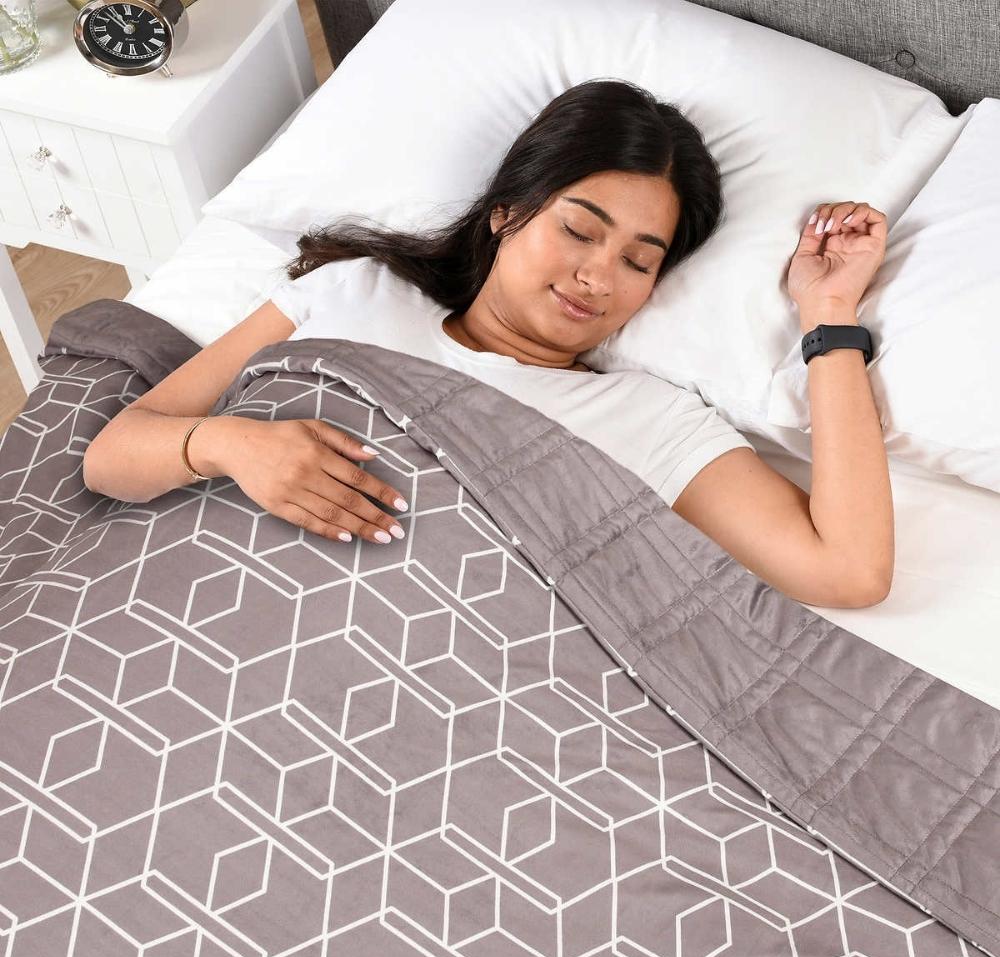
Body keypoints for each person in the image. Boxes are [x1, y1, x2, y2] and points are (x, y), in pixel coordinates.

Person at [83, 79, 893, 610]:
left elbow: (849, 570)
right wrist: (231, 445)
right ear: (507, 211)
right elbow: (113, 457)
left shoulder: (646, 420)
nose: (597, 277)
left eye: (638, 262)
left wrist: (827, 314)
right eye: (580, 230)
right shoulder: (355, 292)